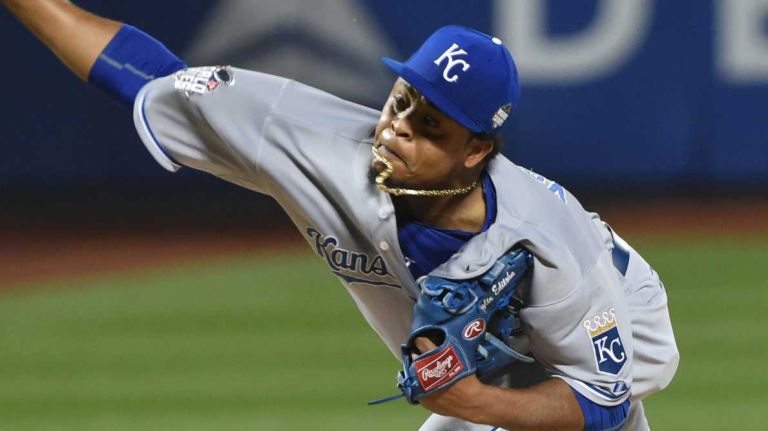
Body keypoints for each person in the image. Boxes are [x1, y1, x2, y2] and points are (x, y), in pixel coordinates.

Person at [3, 1, 679, 430]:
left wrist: (472, 402)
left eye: (431, 125)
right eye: (402, 98)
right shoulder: (306, 139)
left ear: (477, 150)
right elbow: (148, 78)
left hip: (619, 328)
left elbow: (605, 400)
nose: (398, 127)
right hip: (490, 370)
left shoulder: (549, 242)